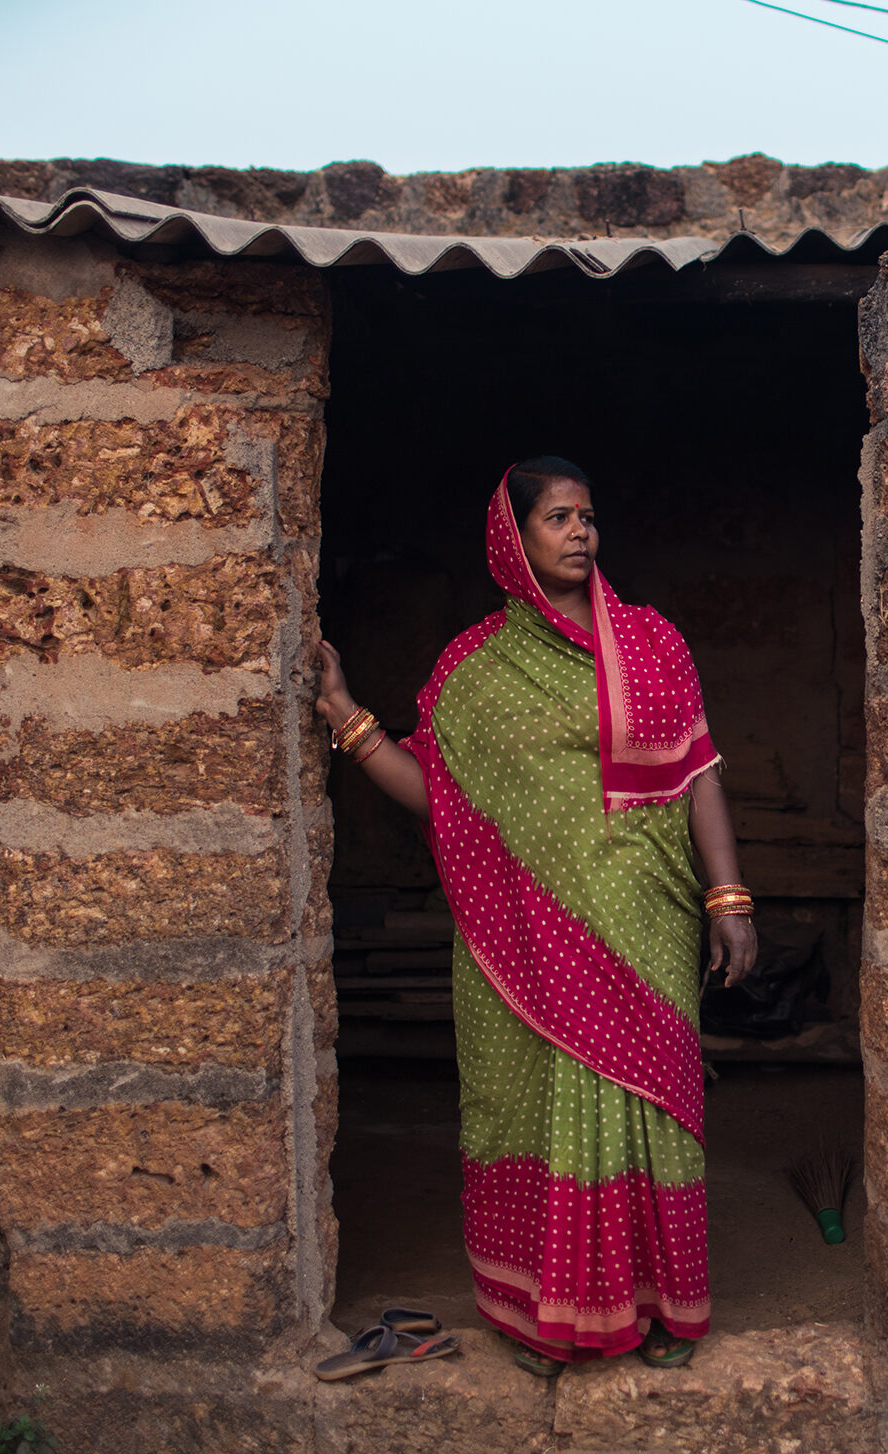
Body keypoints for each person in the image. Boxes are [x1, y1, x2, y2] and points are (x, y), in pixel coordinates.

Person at [314, 457, 757, 1377]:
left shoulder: (653, 645)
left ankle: (664, 1309)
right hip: (526, 942)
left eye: (588, 515)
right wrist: (350, 720)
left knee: (651, 1110)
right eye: (558, 517)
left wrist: (728, 896)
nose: (580, 531)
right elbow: (439, 794)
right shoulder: (475, 671)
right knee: (543, 1108)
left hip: (645, 923)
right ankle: (550, 1322)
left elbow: (699, 771)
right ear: (512, 538)